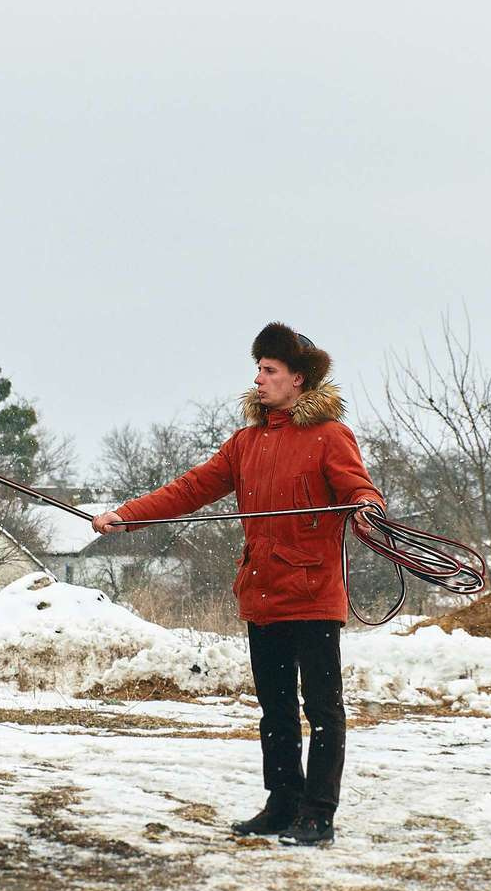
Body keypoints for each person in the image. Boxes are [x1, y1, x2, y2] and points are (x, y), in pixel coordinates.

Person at [92, 323, 384, 847]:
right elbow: (192, 488)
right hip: (263, 593)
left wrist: (367, 511)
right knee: (275, 710)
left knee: (321, 710)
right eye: (259, 369)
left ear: (299, 379)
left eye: (270, 370)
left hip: (314, 596)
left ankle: (318, 815)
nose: (260, 378)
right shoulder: (246, 443)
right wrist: (126, 516)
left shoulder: (330, 436)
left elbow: (358, 490)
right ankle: (282, 805)